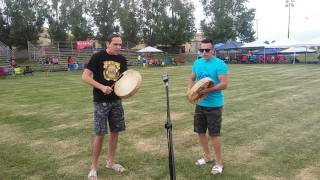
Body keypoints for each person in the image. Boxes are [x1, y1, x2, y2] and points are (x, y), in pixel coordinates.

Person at [82, 34, 128, 180]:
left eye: (120, 44)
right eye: (115, 44)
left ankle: (110, 162)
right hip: (101, 101)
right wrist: (102, 87)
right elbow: (85, 76)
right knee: (100, 134)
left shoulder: (122, 59)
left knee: (115, 132)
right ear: (107, 43)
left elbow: (123, 79)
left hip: (116, 101)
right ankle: (93, 167)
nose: (119, 47)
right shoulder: (97, 57)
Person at [187, 38, 228, 176]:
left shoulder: (220, 64)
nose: (204, 52)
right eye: (201, 50)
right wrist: (190, 91)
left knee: (214, 134)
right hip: (200, 104)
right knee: (200, 131)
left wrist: (207, 91)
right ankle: (207, 156)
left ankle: (218, 163)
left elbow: (224, 84)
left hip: (214, 105)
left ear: (213, 50)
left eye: (207, 50)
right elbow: (192, 78)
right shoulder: (197, 63)